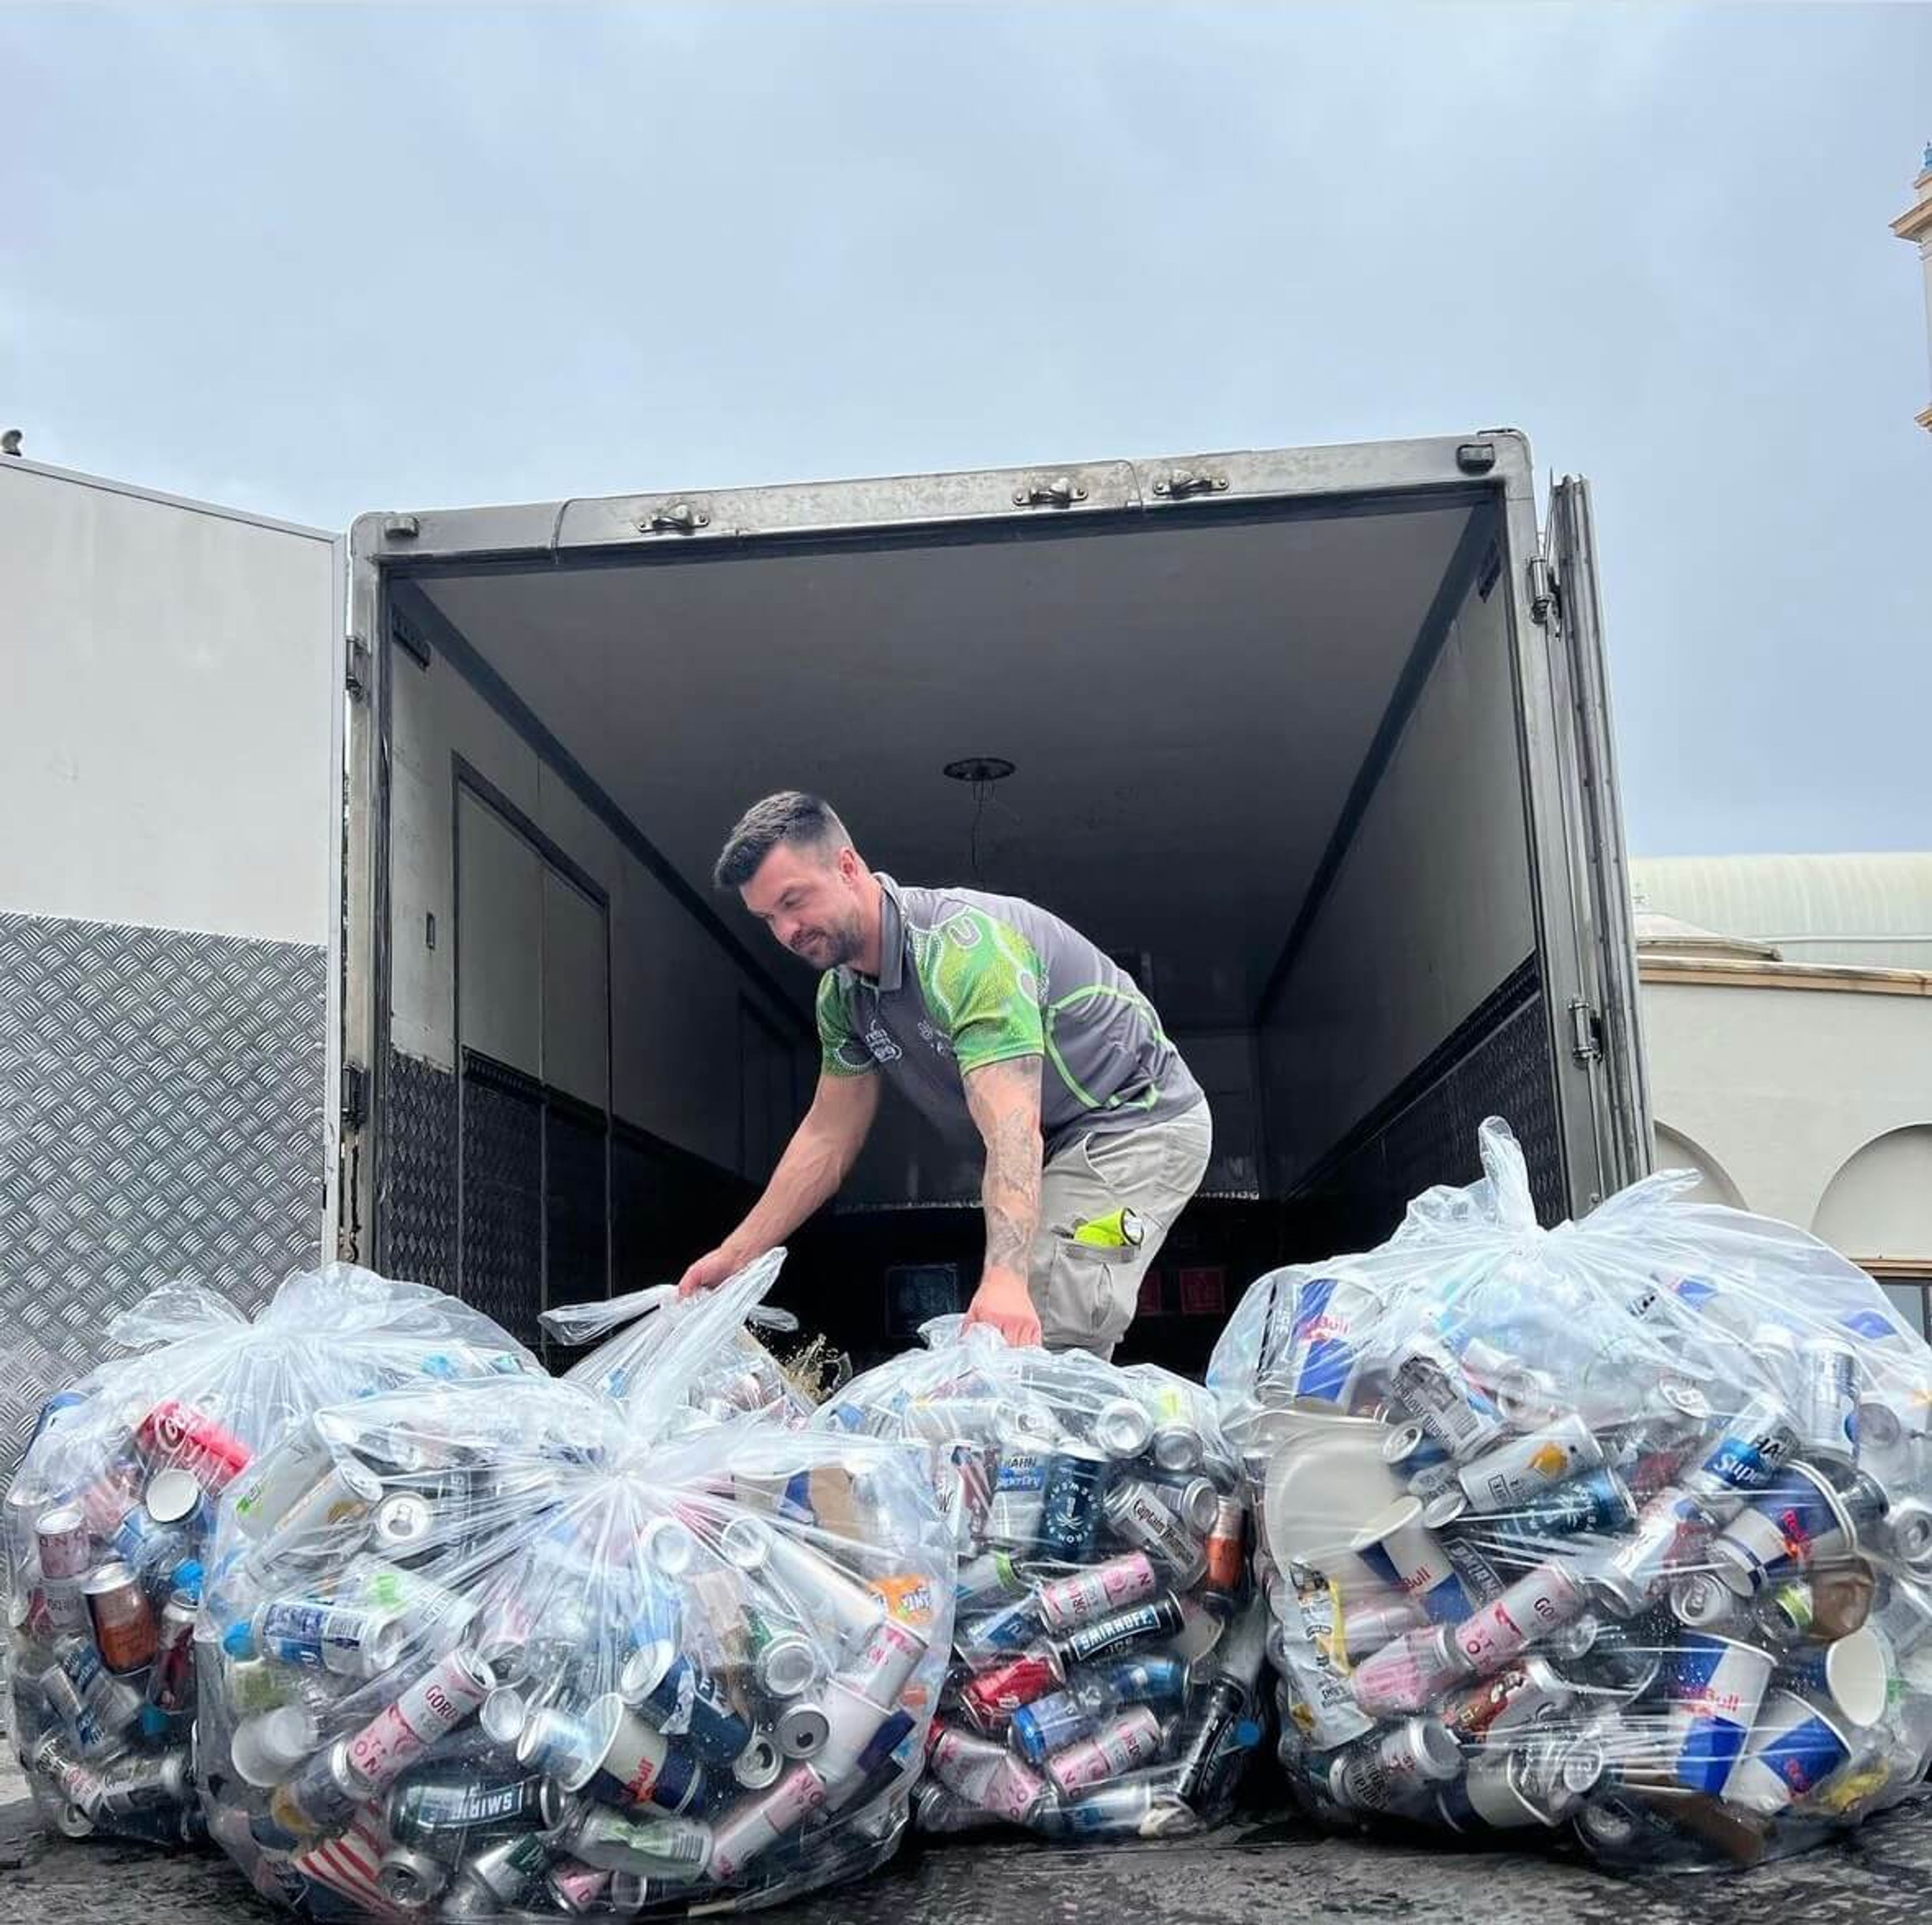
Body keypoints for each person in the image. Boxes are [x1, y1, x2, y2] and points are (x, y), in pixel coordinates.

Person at [677, 792, 1212, 1356]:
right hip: (1056, 1145)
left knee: (1041, 1313)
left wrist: (1006, 1276)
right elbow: (828, 1136)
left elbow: (1011, 1121)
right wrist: (735, 1255)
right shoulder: (843, 997)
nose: (787, 930)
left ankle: (1084, 1438)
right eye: (769, 919)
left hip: (1136, 1123)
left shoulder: (965, 951)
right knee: (1014, 1337)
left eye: (794, 901)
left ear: (847, 867)